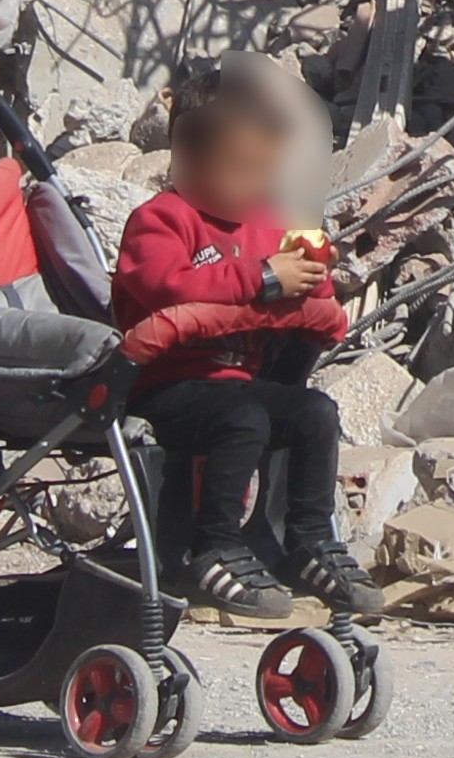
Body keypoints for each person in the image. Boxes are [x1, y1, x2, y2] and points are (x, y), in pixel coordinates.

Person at [113, 54, 384, 620]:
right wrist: (261, 279)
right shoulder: (160, 220)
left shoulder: (261, 219)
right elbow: (165, 287)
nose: (252, 188)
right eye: (237, 172)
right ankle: (214, 543)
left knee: (313, 412)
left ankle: (307, 537)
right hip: (168, 382)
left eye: (262, 173)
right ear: (187, 162)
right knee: (245, 420)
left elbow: (295, 292)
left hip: (239, 379)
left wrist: (309, 278)